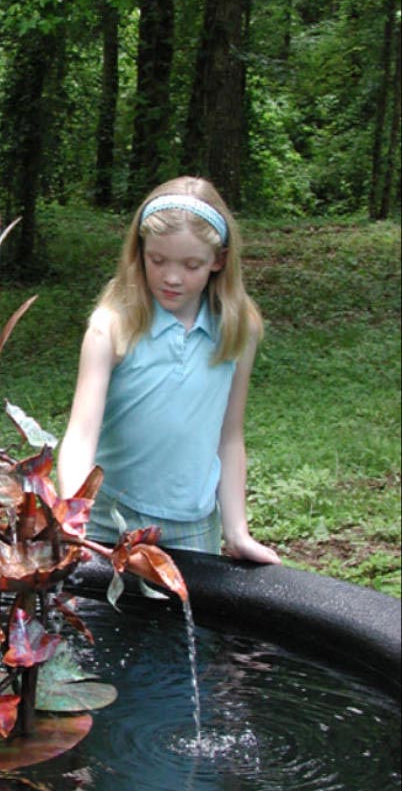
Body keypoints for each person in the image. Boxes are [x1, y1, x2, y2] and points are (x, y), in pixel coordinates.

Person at [57, 176, 280, 564]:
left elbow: (229, 436)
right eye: (157, 260)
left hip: (191, 528)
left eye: (191, 265)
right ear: (139, 252)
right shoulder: (112, 325)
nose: (172, 277)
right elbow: (81, 433)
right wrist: (74, 513)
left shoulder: (239, 329)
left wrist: (237, 531)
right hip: (105, 522)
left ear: (219, 260)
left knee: (181, 625)